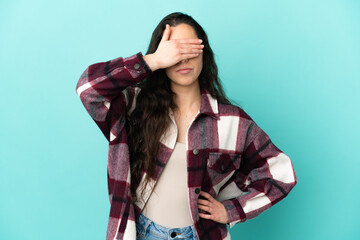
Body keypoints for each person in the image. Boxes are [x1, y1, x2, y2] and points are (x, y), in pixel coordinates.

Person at [76, 12, 297, 240]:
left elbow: (281, 174)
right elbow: (88, 90)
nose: (183, 59)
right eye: (175, 51)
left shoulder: (233, 122)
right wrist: (152, 61)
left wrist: (230, 210)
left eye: (190, 49)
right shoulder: (134, 107)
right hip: (139, 232)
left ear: (204, 54)